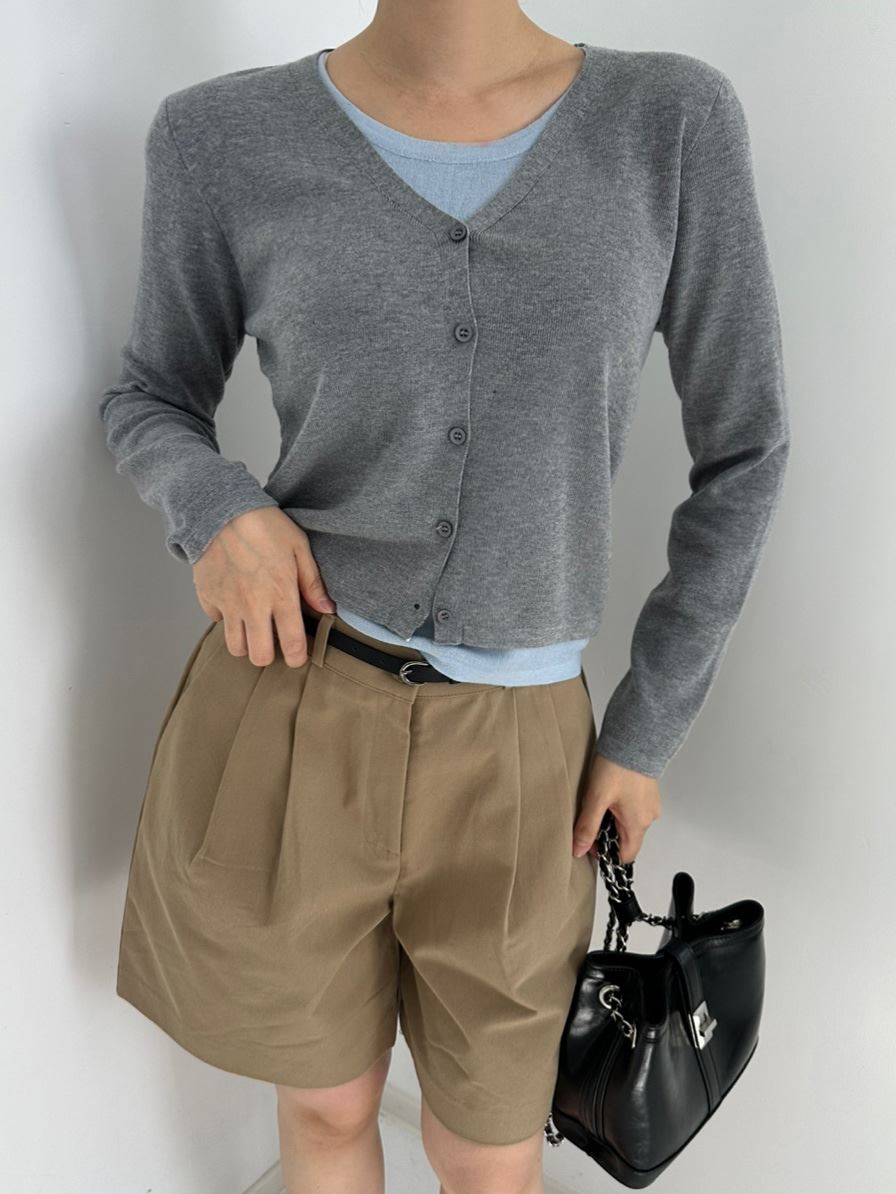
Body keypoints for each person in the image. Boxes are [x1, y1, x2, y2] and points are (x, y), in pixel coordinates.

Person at [98, 3, 790, 1191]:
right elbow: (151, 393)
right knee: (324, 1111)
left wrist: (644, 728)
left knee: (488, 1151)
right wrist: (215, 509)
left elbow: (746, 451)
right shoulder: (221, 136)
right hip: (293, 708)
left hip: (526, 761)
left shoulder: (667, 121)